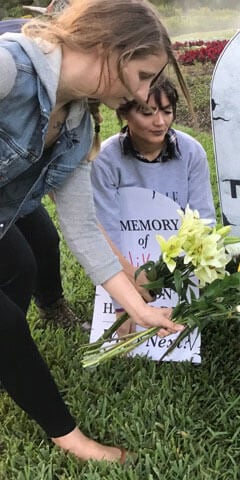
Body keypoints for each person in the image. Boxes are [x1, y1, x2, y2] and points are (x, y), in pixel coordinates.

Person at [0, 0, 190, 463]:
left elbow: (83, 230)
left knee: (22, 263)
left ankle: (10, 362)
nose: (147, 92)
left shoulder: (77, 127)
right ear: (112, 50)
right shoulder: (9, 69)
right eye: (144, 75)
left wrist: (139, 311)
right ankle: (70, 438)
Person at [91, 75, 216, 334]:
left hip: (177, 263)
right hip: (127, 260)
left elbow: (203, 219)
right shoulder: (106, 159)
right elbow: (106, 230)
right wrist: (122, 300)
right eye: (147, 113)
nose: (160, 122)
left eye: (167, 111)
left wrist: (191, 274)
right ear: (125, 113)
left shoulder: (191, 152)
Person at [0, 0, 84, 330]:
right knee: (19, 264)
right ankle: (11, 344)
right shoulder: (15, 62)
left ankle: (51, 305)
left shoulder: (70, 85)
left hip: (14, 184)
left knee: (46, 238)